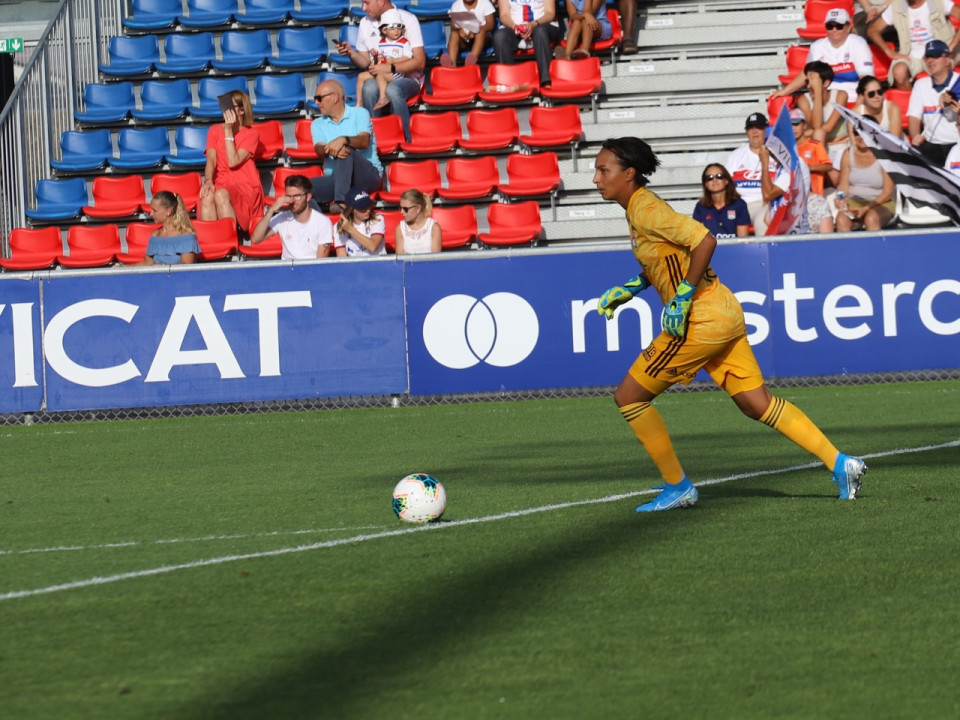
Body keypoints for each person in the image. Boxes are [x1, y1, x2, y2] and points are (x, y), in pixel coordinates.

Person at [592, 136, 866, 512]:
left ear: (629, 173)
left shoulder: (645, 209)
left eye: (603, 170)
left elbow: (704, 240)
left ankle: (678, 487)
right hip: (723, 311)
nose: (595, 178)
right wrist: (631, 288)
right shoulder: (640, 208)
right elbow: (668, 256)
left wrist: (684, 293)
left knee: (629, 397)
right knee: (757, 404)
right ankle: (840, 463)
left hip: (700, 319)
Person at [335, 0, 426, 142]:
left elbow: (419, 62)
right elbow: (364, 61)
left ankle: (404, 139)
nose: (363, 8)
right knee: (369, 88)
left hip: (407, 78)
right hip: (380, 75)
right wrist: (351, 53)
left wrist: (391, 67)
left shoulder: (408, 19)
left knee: (394, 90)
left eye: (367, 2)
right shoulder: (365, 23)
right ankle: (373, 140)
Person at [199, 90, 263, 236]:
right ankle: (211, 242)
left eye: (230, 106)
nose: (226, 110)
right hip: (221, 180)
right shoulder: (214, 130)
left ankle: (229, 240)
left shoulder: (251, 133)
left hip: (244, 184)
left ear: (241, 110)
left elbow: (233, 161)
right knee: (207, 195)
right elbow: (211, 159)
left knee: (221, 195)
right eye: (224, 106)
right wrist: (208, 180)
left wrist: (228, 131)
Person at [310, 80, 384, 207]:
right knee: (301, 189)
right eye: (316, 98)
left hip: (366, 176)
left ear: (335, 97)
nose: (316, 102)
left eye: (319, 98)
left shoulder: (360, 113)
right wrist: (332, 147)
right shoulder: (317, 123)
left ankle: (341, 202)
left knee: (345, 149)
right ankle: (322, 225)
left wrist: (344, 140)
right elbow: (319, 149)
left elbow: (364, 141)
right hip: (338, 179)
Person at [773, 8, 874, 99]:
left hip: (852, 96)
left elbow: (866, 78)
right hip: (824, 98)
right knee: (802, 104)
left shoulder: (857, 43)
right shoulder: (817, 46)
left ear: (847, 27)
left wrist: (861, 102)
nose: (834, 30)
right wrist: (785, 91)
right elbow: (807, 73)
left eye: (839, 26)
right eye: (830, 26)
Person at [868, 0, 960, 90]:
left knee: (943, 65)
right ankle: (913, 101)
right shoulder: (897, 6)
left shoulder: (938, 2)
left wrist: (951, 46)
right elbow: (872, 30)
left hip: (939, 51)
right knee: (899, 71)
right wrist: (888, 51)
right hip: (912, 55)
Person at [726, 112, 791, 235]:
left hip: (762, 203)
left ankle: (765, 253)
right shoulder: (736, 155)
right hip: (738, 203)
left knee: (763, 219)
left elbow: (772, 193)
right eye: (751, 128)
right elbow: (725, 182)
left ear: (766, 130)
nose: (754, 131)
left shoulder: (777, 155)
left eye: (759, 128)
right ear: (746, 132)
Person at [249, 174, 336, 260]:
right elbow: (256, 239)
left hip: (310, 270)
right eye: (289, 196)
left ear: (308, 197)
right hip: (287, 269)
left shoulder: (323, 223)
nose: (292, 201)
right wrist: (271, 211)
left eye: (297, 196)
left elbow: (319, 263)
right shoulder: (282, 218)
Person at [906, 39, 960, 166]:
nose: (930, 61)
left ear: (947, 60)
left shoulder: (958, 83)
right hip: (930, 144)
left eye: (935, 57)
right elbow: (913, 117)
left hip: (956, 144)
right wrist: (915, 136)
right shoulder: (920, 85)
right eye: (927, 57)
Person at [834, 127, 896, 231]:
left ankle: (874, 247)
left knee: (871, 218)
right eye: (857, 133)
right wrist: (841, 200)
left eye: (866, 133)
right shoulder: (848, 153)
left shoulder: (884, 156)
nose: (862, 137)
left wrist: (866, 208)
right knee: (841, 219)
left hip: (881, 203)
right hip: (854, 202)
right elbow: (843, 185)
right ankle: (846, 247)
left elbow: (887, 193)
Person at [493, 0, 564, 87]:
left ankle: (546, 81)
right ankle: (507, 83)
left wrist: (534, 24)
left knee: (540, 32)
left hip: (543, 25)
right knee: (500, 36)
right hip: (514, 27)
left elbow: (550, 13)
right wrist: (515, 27)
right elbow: (504, 15)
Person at [355, 9, 414, 111]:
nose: (396, 30)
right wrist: (375, 58)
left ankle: (382, 98)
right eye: (392, 27)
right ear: (384, 30)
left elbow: (408, 57)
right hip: (381, 69)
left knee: (381, 75)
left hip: (396, 72)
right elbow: (380, 56)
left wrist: (393, 61)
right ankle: (359, 103)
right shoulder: (382, 42)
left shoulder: (403, 42)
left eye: (399, 26)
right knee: (361, 76)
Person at [796, 61, 849, 172]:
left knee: (819, 132)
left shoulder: (841, 95)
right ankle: (820, 172)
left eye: (813, 81)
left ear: (825, 83)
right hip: (818, 147)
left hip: (840, 146)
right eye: (807, 81)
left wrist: (818, 91)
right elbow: (816, 125)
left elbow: (828, 128)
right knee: (818, 132)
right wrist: (818, 95)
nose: (809, 85)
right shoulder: (804, 100)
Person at [792, 108, 836, 233]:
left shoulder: (814, 145)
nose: (794, 128)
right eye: (791, 125)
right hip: (795, 200)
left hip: (815, 196)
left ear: (804, 125)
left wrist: (807, 168)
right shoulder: (787, 149)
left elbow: (828, 166)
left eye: (797, 124)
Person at [135, 191, 200, 265]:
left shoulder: (186, 236)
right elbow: (147, 263)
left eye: (154, 210)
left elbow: (186, 267)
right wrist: (123, 267)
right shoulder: (155, 234)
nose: (151, 213)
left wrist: (162, 267)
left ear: (168, 211)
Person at [691, 164, 751, 239]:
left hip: (734, 249)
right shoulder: (701, 206)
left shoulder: (739, 204)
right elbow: (695, 237)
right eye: (709, 178)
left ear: (726, 181)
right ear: (706, 184)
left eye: (719, 176)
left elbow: (743, 240)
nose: (714, 180)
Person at [440, 0, 496, 67]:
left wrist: (475, 30)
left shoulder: (485, 3)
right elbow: (453, 26)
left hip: (482, 38)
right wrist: (460, 31)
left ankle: (470, 64)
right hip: (464, 38)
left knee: (480, 33)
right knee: (454, 34)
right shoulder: (456, 5)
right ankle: (452, 64)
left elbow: (491, 25)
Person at [334, 187, 388, 257]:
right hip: (355, 266)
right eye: (363, 207)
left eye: (369, 206)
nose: (368, 210)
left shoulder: (377, 218)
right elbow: (341, 257)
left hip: (378, 264)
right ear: (351, 210)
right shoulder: (340, 226)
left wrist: (350, 229)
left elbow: (373, 246)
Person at [394, 189, 442, 254]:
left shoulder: (434, 227)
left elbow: (435, 259)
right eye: (400, 208)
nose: (401, 212)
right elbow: (400, 259)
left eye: (405, 209)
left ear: (418, 208)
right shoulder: (400, 228)